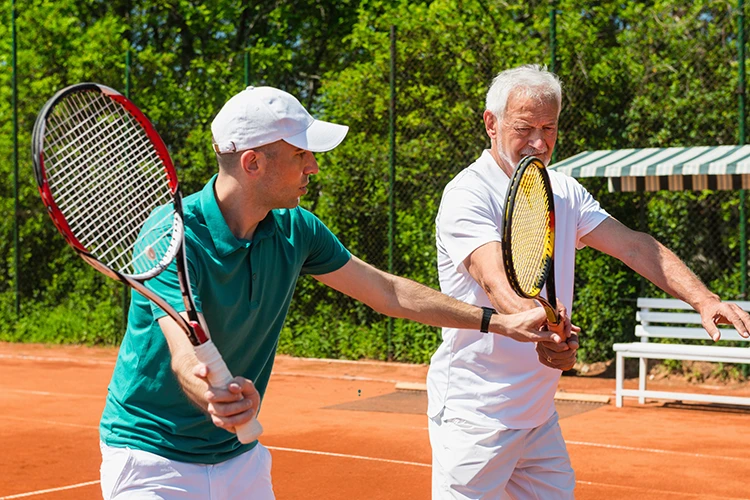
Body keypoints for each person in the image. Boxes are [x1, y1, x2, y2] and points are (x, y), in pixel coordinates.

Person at [97, 85, 566, 499]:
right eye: (301, 154)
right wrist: (212, 394)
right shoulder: (171, 235)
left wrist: (496, 322)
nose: (314, 167)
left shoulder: (295, 228)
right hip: (150, 457)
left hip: (238, 458)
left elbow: (387, 291)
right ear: (253, 162)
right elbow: (183, 355)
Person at [427, 64, 750, 499]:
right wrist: (546, 330)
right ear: (491, 123)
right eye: (525, 128)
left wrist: (704, 299)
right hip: (476, 415)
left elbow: (635, 246)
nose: (539, 143)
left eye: (549, 127)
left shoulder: (564, 189)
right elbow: (495, 282)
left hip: (538, 415)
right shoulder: (468, 193)